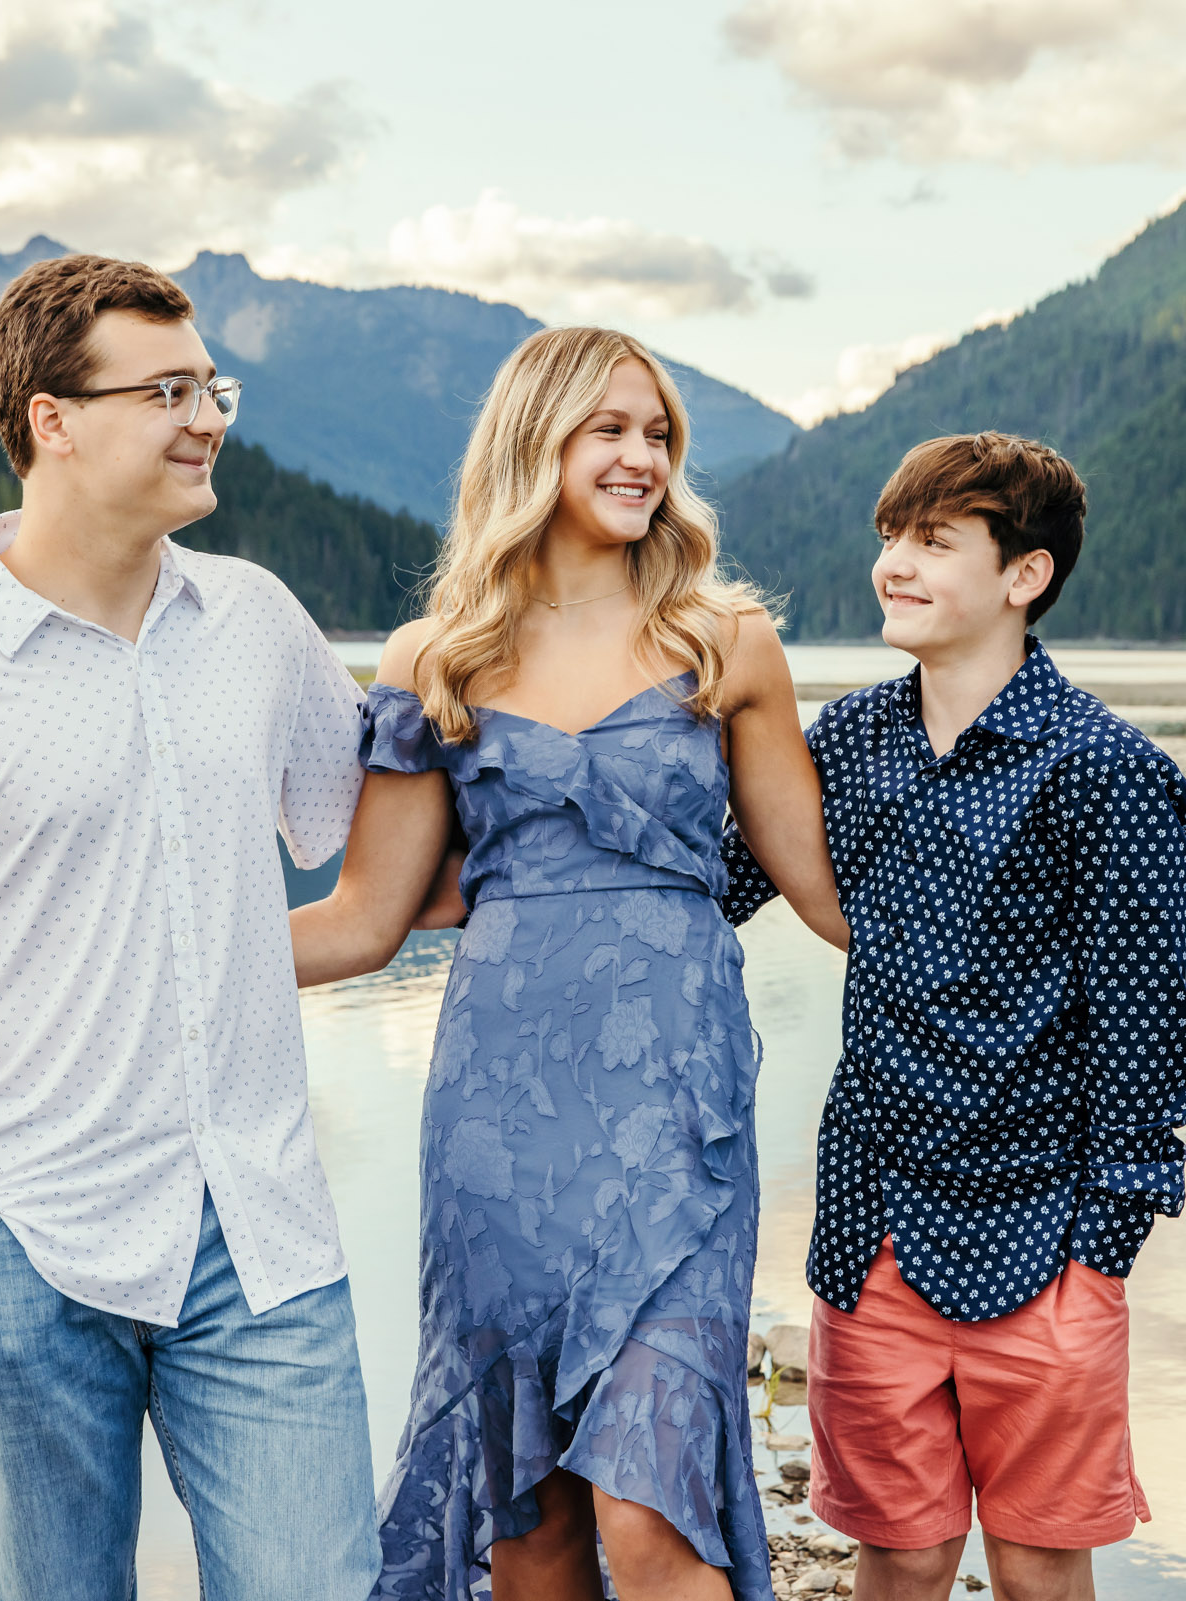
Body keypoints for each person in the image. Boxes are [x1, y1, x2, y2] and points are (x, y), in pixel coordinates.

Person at [0, 254, 395, 1600]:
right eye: (166, 389)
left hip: (264, 1234)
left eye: (210, 384)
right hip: (36, 1248)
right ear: (50, 419)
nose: (208, 417)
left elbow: (383, 857)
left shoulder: (257, 622)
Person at [290, 326, 849, 1601]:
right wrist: (164, 956)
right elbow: (366, 916)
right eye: (610, 428)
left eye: (657, 434)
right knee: (528, 1526)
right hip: (500, 1125)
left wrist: (1024, 978)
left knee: (654, 1519)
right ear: (534, 440)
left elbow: (822, 893)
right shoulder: (437, 658)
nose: (641, 456)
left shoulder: (728, 643)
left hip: (676, 1113)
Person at [721, 433, 1186, 1601]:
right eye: (891, 534)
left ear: (1023, 575)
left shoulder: (1108, 772)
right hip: (874, 1230)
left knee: (1039, 1564)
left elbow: (1146, 1035)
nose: (895, 561)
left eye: (935, 540)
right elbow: (717, 882)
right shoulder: (850, 740)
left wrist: (1101, 1250)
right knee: (900, 1552)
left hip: (1043, 1239)